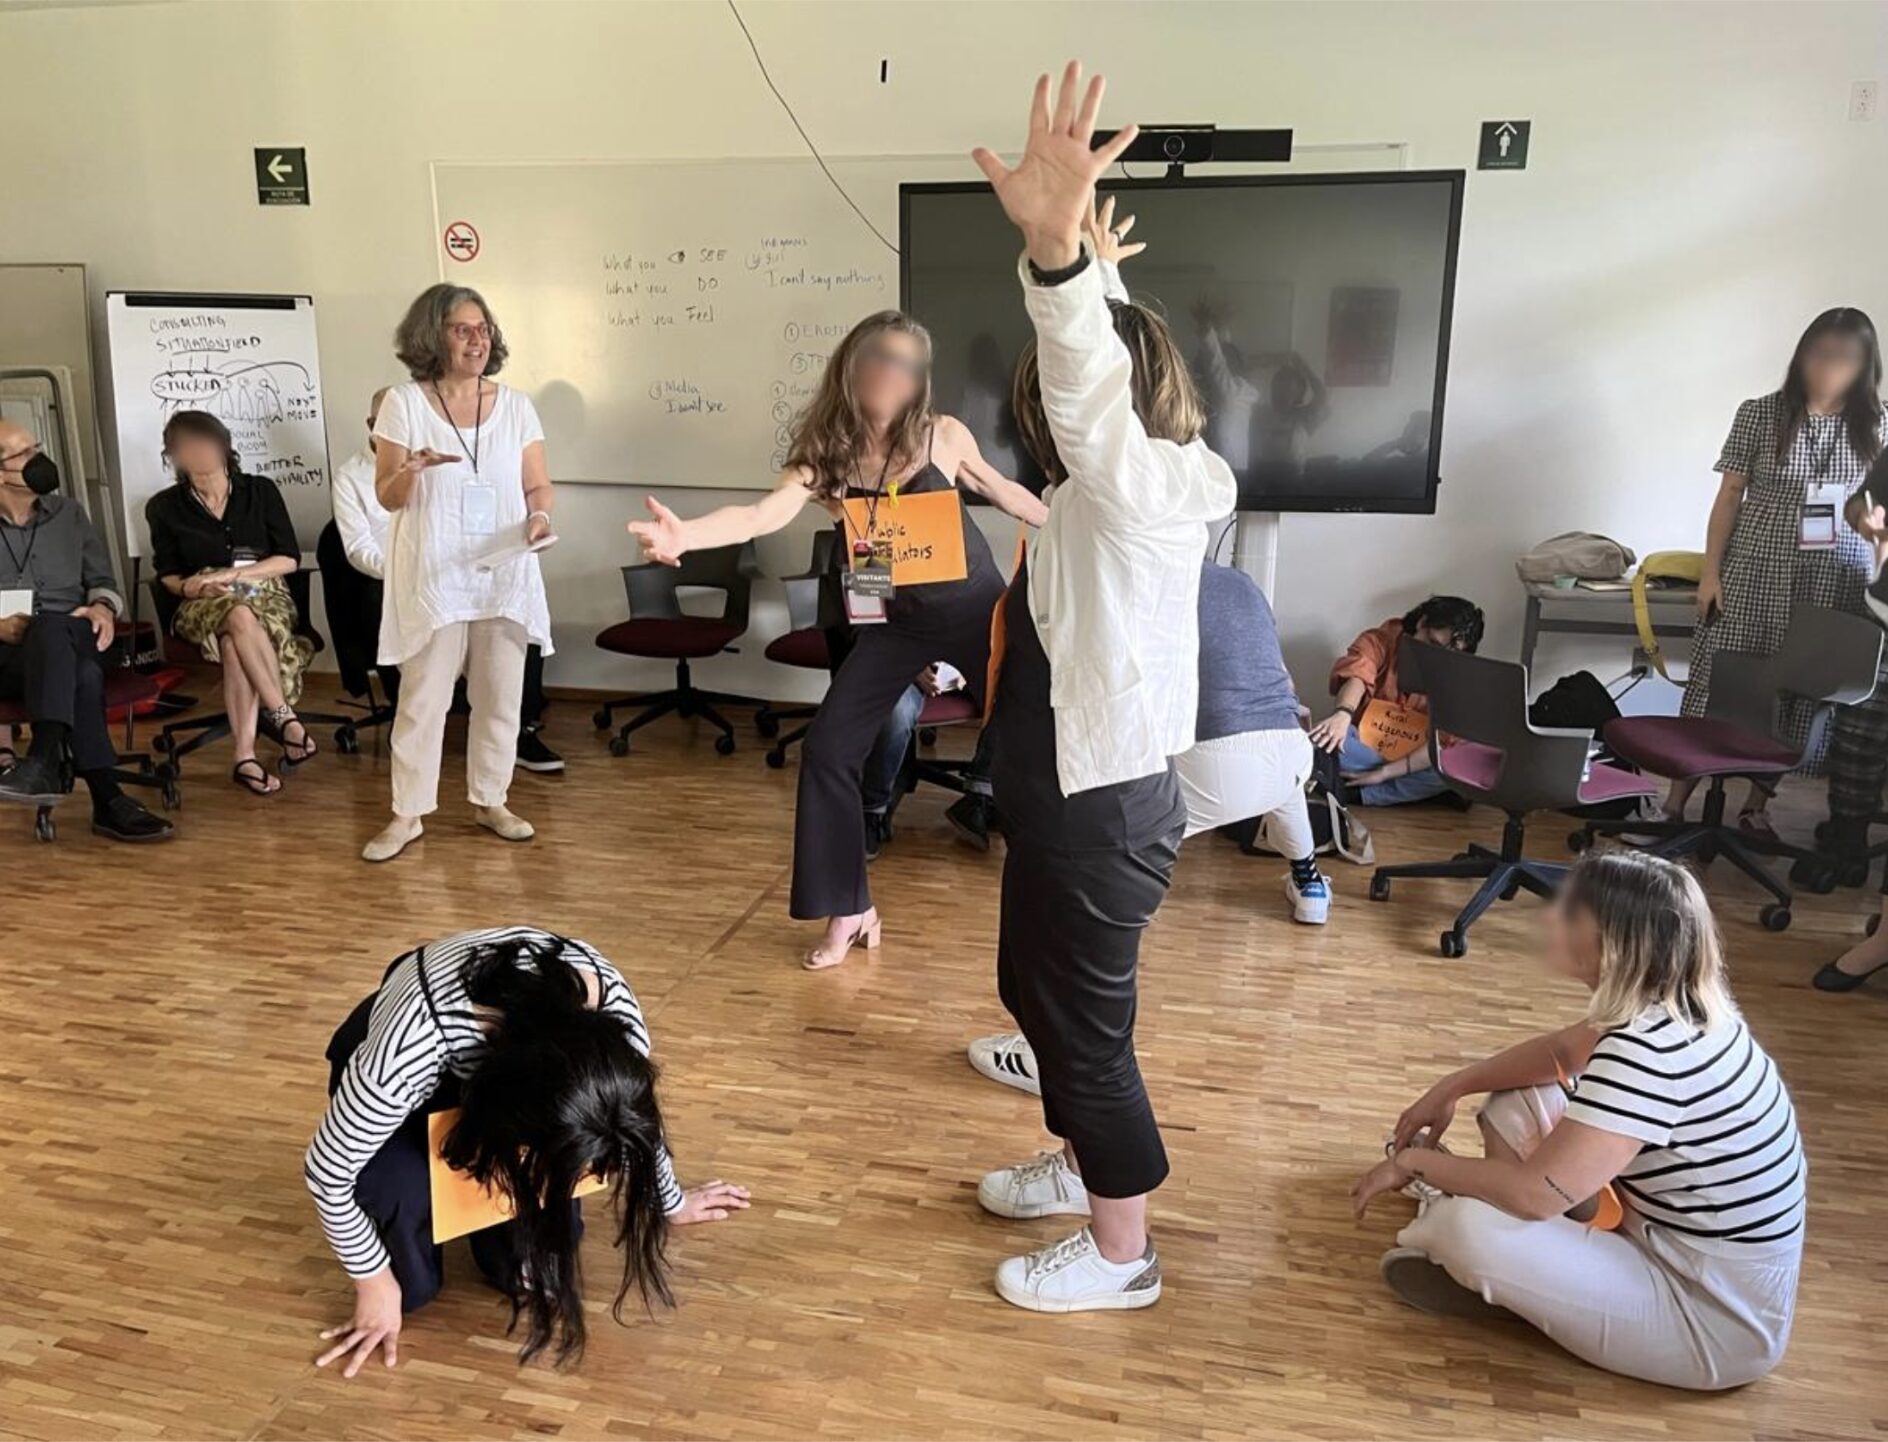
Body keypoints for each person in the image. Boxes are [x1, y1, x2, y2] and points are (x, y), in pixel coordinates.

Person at [965, 67, 1235, 1313]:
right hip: (1063, 804)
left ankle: (1125, 1253)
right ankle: (1082, 1173)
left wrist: (1058, 257)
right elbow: (1107, 382)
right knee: (1032, 994)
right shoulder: (1107, 496)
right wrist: (1097, 271)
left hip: (1099, 814)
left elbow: (1089, 388)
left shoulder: (1139, 486)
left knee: (1083, 1035)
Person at [629, 318, 1046, 971]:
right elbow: (759, 516)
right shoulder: (825, 456)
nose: (893, 372)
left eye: (909, 363)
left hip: (974, 608)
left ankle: (1061, 889)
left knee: (1037, 733)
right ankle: (849, 906)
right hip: (897, 619)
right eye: (881, 357)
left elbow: (1004, 490)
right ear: (852, 364)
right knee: (827, 750)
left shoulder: (943, 434)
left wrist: (1072, 526)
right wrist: (688, 537)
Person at [1352, 850, 1804, 1391]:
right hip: (1673, 1246)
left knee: (1464, 1228)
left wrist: (1413, 1161)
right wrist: (1451, 1087)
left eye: (1570, 914)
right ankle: (1532, 1275)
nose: (1549, 918)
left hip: (1711, 1322)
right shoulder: (1685, 1008)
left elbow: (1531, 1196)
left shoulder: (1647, 1055)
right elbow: (1561, 1053)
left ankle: (1497, 1269)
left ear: (1615, 945)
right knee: (1516, 1099)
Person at [306, 926, 748, 1377]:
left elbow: (629, 1117)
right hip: (422, 1069)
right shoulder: (404, 1052)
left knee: (524, 1267)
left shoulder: (615, 1021)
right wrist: (374, 1282)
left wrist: (667, 1199)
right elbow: (328, 1171)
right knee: (411, 1285)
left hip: (515, 1078)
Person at [1674, 308, 1886, 838]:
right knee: (1716, 679)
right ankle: (1674, 804)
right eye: (1819, 353)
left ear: (1865, 364)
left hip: (1835, 576)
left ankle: (1755, 806)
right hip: (1754, 565)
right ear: (1801, 354)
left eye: (1844, 356)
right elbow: (1728, 496)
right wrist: (1710, 573)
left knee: (1801, 692)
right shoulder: (1760, 413)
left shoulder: (1879, 423)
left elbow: (1877, 511)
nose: (1829, 366)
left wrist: (1874, 531)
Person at [363, 284, 556, 863]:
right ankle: (407, 814)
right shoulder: (403, 402)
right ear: (432, 336)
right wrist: (412, 470)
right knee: (423, 700)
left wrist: (541, 516)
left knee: (502, 695)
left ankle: (490, 799)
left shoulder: (518, 405)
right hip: (437, 573)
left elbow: (537, 485)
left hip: (504, 570)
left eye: (483, 329)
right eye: (462, 330)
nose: (477, 340)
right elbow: (388, 497)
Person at [331, 387, 563, 775]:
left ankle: (522, 732)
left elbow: (466, 516)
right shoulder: (351, 477)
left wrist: (534, 522)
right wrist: (408, 568)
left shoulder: (461, 444)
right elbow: (358, 549)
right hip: (389, 578)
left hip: (462, 569)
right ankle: (410, 795)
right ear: (374, 427)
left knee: (515, 627)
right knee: (419, 682)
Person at [0, 419, 171, 839]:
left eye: (35, 447)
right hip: (8, 655)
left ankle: (43, 760)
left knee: (57, 629)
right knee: (82, 673)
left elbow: (104, 584)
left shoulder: (70, 515)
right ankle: (106, 797)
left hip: (78, 634)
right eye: (22, 454)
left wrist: (101, 609)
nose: (37, 460)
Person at [146, 410, 314, 798]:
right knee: (235, 615)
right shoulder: (163, 506)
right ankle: (284, 718)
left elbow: (289, 558)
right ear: (172, 455)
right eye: (185, 446)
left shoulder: (261, 491)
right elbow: (167, 573)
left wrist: (234, 576)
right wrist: (193, 588)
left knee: (234, 636)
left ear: (224, 444)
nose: (198, 452)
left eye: (204, 441)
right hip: (201, 599)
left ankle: (245, 757)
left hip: (262, 588)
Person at [1176, 559, 1328, 922]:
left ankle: (1106, 907)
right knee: (1283, 791)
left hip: (1221, 767)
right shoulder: (1241, 583)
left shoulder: (1155, 579)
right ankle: (1310, 886)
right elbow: (1281, 677)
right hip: (1292, 745)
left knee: (1139, 831)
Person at [1307, 595, 1485, 806]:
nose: (1434, 658)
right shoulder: (1380, 640)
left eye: (1445, 655)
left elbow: (1442, 741)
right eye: (1432, 644)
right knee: (1314, 743)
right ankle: (1410, 791)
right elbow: (1357, 674)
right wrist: (1342, 714)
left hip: (1417, 756)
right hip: (1365, 747)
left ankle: (1360, 794)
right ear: (1421, 623)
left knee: (1468, 764)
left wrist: (1385, 773)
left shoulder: (1456, 671)